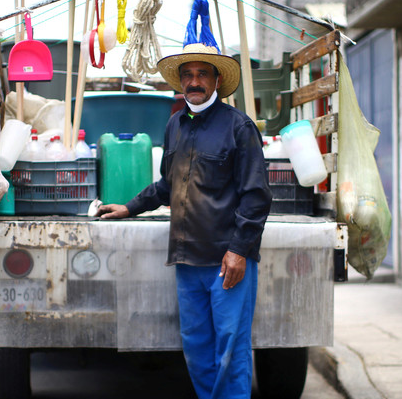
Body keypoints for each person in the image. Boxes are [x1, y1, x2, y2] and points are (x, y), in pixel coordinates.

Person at [96, 42, 272, 399]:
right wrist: (130, 207)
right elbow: (168, 184)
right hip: (186, 260)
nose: (194, 81)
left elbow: (256, 196)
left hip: (226, 262)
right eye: (188, 75)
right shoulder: (175, 124)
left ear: (217, 80)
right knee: (196, 349)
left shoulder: (239, 127)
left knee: (230, 351)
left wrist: (239, 250)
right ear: (180, 81)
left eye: (202, 74)